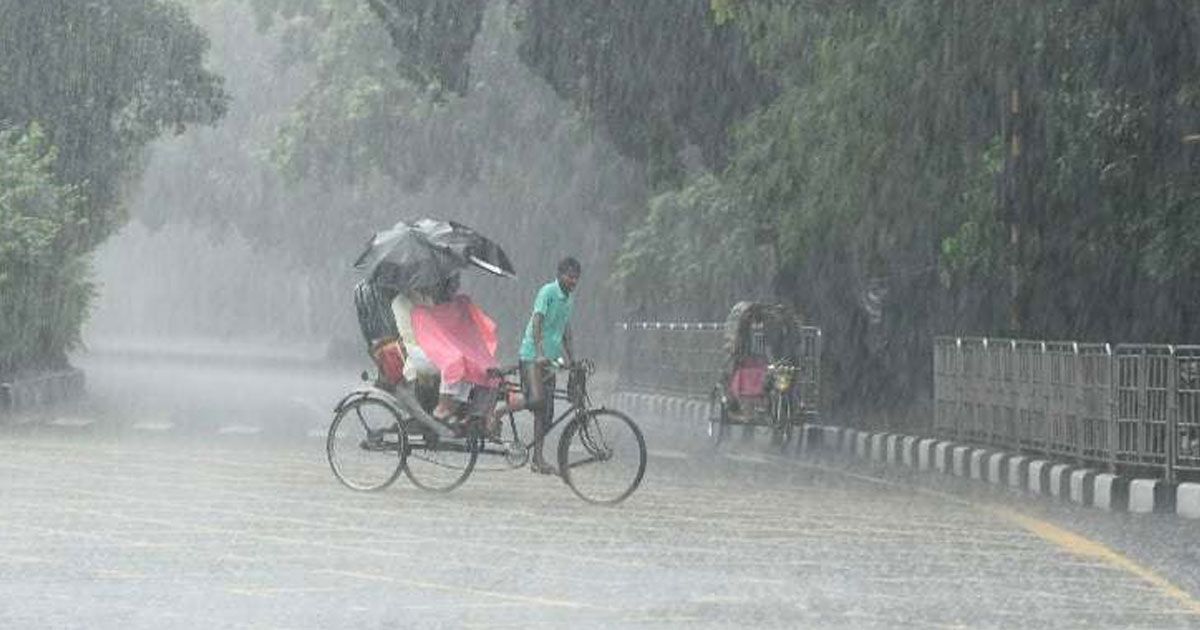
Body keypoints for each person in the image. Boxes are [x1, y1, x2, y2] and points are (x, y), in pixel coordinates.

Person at [518, 256, 580, 474]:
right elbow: (537, 321)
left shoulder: (569, 299)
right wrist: (540, 353)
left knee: (547, 413)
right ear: (560, 275)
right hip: (532, 357)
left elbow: (566, 330)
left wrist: (572, 360)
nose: (573, 281)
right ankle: (499, 413)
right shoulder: (547, 292)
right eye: (570, 276)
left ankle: (537, 459)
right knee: (537, 402)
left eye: (576, 278)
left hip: (551, 362)